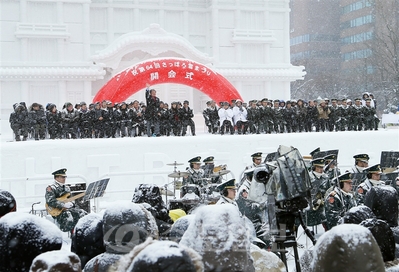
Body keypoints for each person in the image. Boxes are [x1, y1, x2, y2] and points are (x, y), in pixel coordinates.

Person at [45, 168, 87, 232]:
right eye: (62, 177)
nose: (64, 179)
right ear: (56, 178)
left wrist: (72, 203)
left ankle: (79, 232)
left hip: (67, 209)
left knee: (82, 213)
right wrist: (63, 204)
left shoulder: (66, 188)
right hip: (57, 211)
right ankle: (66, 232)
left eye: (65, 177)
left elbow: (71, 198)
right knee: (68, 216)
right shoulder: (51, 188)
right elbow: (50, 201)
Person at [306, 158, 330, 230]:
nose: (321, 169)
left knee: (326, 215)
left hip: (322, 203)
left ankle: (327, 232)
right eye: (319, 167)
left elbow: (329, 189)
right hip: (311, 204)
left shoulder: (325, 177)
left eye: (322, 167)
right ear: (314, 167)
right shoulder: (308, 177)